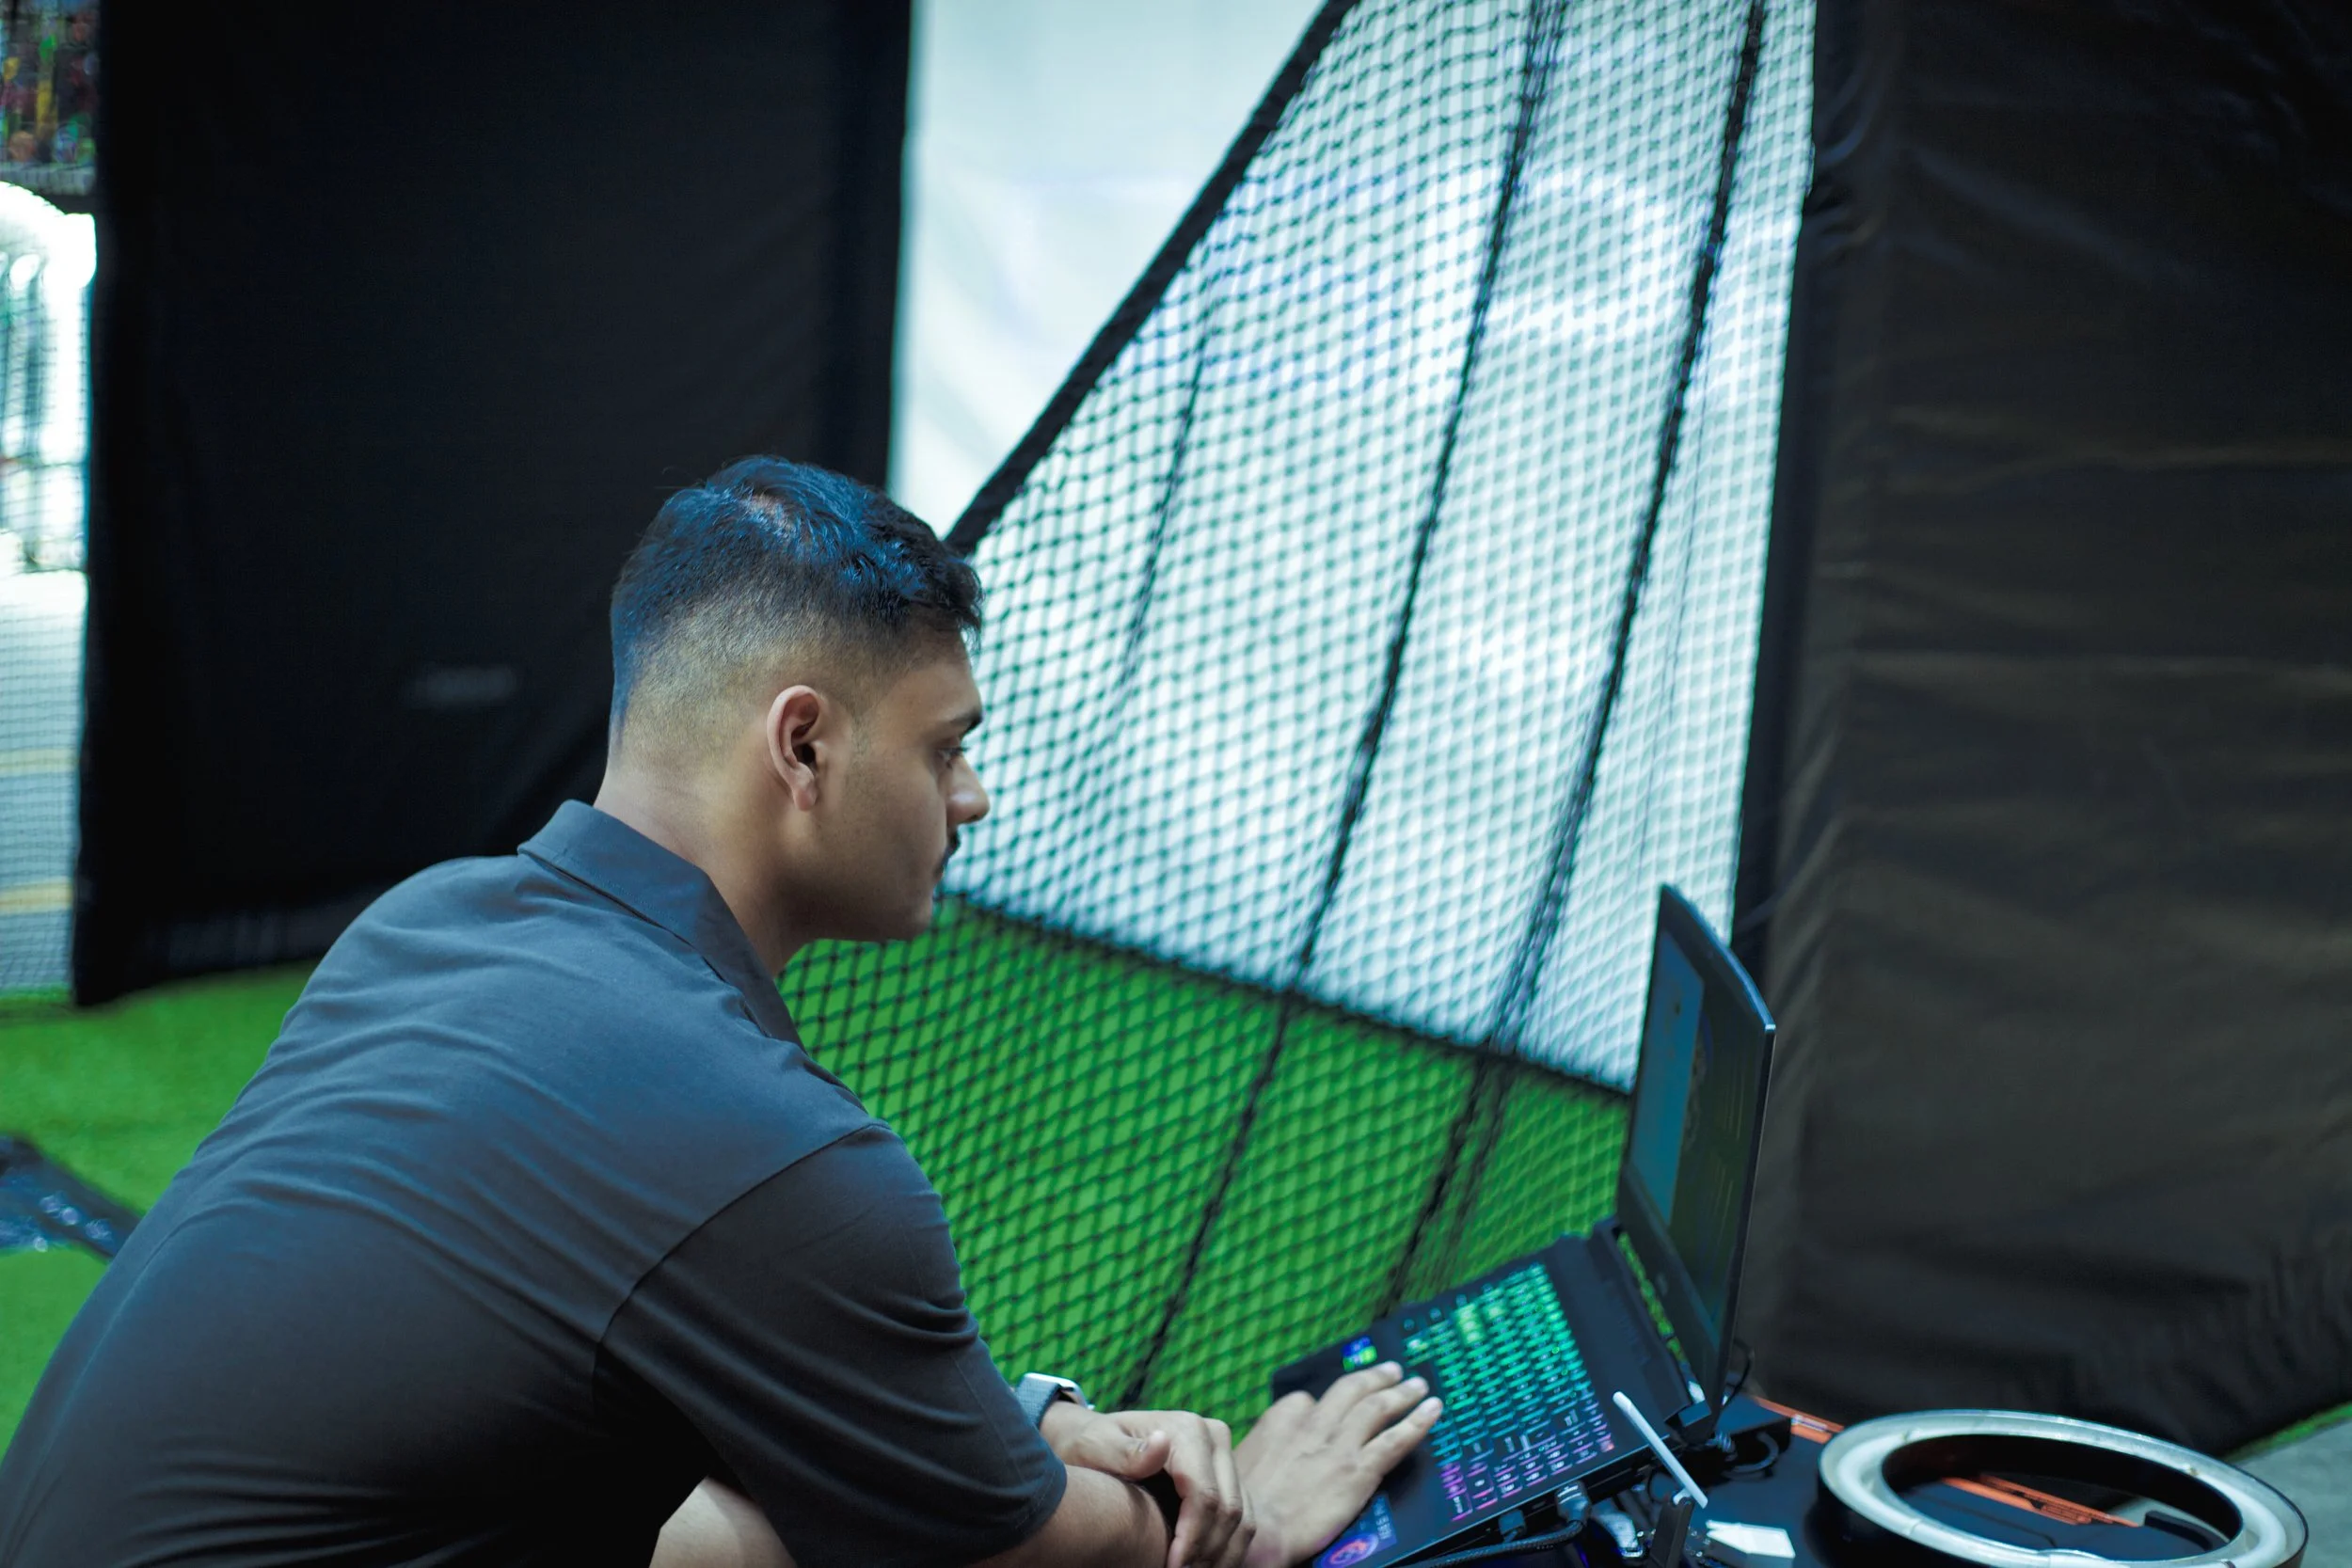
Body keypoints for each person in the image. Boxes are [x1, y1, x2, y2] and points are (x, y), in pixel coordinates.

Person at [0, 457, 1441, 1568]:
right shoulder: (770, 1149)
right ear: (802, 745)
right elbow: (1032, 1553)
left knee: (753, 1533)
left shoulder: (428, 918)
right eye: (946, 747)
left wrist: (1028, 1424)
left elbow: (703, 1381)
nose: (974, 796)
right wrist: (1244, 1512)